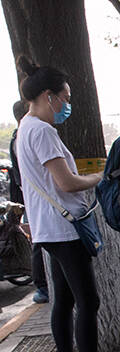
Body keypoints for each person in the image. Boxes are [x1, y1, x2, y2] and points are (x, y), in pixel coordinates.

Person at [14, 55, 120, 352]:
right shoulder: (43, 131)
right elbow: (66, 183)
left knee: (64, 300)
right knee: (88, 300)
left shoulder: (25, 127)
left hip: (49, 228)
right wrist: (98, 177)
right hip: (65, 228)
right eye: (64, 99)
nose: (66, 105)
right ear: (48, 96)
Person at [8, 99, 49, 303]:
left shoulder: (22, 135)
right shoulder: (24, 136)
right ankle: (42, 286)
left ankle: (43, 285)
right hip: (34, 198)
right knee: (40, 242)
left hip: (32, 198)